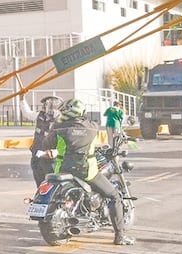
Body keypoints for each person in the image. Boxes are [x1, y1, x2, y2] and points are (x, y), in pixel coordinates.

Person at [37, 98, 134, 245]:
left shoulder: (57, 128)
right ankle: (120, 236)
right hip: (86, 171)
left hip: (63, 170)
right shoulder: (92, 127)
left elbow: (46, 144)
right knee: (114, 196)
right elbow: (94, 142)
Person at [29, 96, 61, 186]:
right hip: (37, 154)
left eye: (48, 104)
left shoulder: (60, 120)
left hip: (50, 157)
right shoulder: (40, 115)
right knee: (39, 182)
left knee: (51, 182)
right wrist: (22, 100)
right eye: (45, 104)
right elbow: (28, 114)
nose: (45, 106)